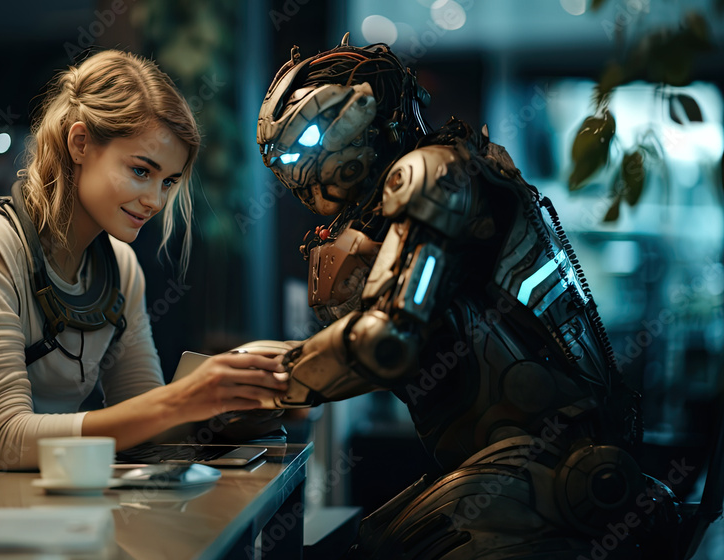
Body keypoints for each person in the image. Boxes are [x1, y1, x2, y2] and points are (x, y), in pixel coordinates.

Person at [256, 35, 709, 558]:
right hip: (511, 467)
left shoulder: (435, 174)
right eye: (281, 155)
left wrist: (252, 385)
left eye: (307, 139)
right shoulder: (418, 189)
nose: (293, 167)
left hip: (547, 478)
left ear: (365, 113)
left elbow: (387, 340)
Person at [0, 50, 288, 494]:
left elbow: (145, 426)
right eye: (141, 170)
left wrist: (240, 402)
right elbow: (10, 440)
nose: (156, 200)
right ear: (80, 144)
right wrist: (182, 400)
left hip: (30, 513)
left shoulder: (120, 268)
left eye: (169, 181)